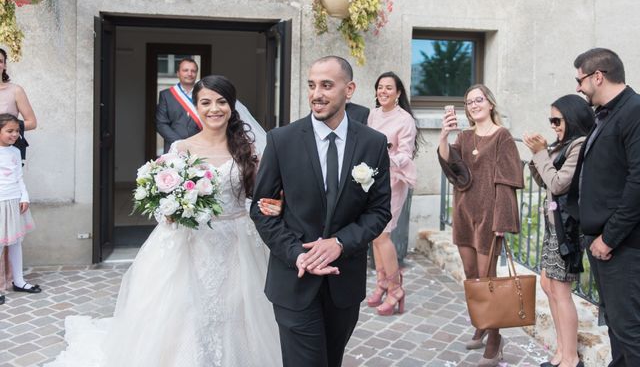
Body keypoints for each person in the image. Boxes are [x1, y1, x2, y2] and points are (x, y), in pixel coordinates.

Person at [46, 75, 283, 367]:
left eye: (221, 102)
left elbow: (259, 196)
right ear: (195, 107)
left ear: (232, 107)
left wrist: (271, 205)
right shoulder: (181, 149)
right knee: (187, 312)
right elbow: (163, 207)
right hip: (192, 244)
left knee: (239, 310)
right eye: (205, 102)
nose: (214, 109)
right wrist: (172, 211)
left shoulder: (248, 151)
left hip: (238, 243)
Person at [250, 55, 392, 367]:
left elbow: (379, 211)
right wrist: (297, 254)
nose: (317, 94)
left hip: (344, 283)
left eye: (327, 85)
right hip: (294, 279)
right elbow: (262, 211)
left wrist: (339, 243)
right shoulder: (281, 140)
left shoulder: (373, 143)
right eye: (312, 85)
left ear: (349, 89)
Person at [438, 84, 523, 367]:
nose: (474, 105)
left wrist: (502, 220)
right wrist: (444, 134)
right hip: (465, 212)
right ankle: (481, 324)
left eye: (478, 100)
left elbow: (508, 181)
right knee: (472, 276)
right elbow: (450, 163)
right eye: (469, 101)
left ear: (490, 103)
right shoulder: (463, 136)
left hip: (489, 216)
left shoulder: (503, 137)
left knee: (488, 282)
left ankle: (495, 339)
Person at [568, 48, 640, 367]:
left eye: (580, 79)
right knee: (615, 326)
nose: (578, 87)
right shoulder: (605, 113)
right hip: (601, 243)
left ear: (598, 76)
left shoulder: (634, 111)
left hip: (623, 245)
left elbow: (638, 183)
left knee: (629, 330)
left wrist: (609, 238)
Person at [525, 95, 593, 367]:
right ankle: (562, 350)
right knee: (548, 284)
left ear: (573, 118)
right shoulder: (564, 144)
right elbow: (545, 181)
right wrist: (538, 154)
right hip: (554, 225)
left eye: (557, 120)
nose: (553, 126)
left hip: (568, 228)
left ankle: (571, 358)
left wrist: (542, 153)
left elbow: (558, 182)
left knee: (561, 290)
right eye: (550, 120)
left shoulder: (580, 145)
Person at [366, 72, 418, 315]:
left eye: (388, 87)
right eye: (380, 87)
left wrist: (387, 155)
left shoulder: (405, 120)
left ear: (398, 93)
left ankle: (396, 289)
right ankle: (382, 283)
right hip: (373, 180)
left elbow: (406, 154)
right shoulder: (374, 114)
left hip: (394, 181)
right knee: (374, 234)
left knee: (382, 235)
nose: (383, 91)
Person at [0, 48, 37, 293]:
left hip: (9, 158)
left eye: (0, 61)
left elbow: (32, 121)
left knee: (11, 229)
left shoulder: (14, 90)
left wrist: (9, 128)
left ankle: (14, 277)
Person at [0, 114, 40, 306]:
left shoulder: (15, 152)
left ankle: (19, 281)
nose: (15, 134)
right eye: (10, 131)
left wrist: (24, 197)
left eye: (17, 131)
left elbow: (19, 177)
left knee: (16, 243)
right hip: (0, 203)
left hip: (15, 201)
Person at [156, 57, 201, 153]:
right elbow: (161, 124)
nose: (190, 74)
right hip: (174, 148)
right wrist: (180, 143)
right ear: (178, 73)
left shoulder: (204, 95)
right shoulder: (166, 95)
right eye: (185, 70)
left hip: (200, 147)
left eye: (193, 71)